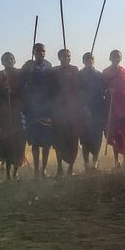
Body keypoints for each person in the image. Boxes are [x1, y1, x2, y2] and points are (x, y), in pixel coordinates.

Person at [21, 43, 55, 178]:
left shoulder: (49, 66)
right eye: (38, 51)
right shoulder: (28, 66)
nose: (41, 53)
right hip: (32, 107)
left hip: (46, 107)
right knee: (35, 142)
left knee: (46, 142)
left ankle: (44, 169)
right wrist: (26, 69)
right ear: (33, 52)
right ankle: (36, 170)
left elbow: (53, 84)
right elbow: (22, 82)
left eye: (43, 51)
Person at [50, 49, 82, 177]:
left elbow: (79, 87)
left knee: (72, 140)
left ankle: (70, 168)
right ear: (59, 57)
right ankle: (59, 168)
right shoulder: (54, 71)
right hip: (58, 111)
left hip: (72, 111)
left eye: (68, 56)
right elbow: (50, 88)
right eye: (63, 56)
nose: (66, 58)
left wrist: (71, 79)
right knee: (59, 141)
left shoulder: (74, 70)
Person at [0, 52, 25, 181]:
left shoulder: (19, 74)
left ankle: (15, 172)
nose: (8, 61)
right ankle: (7, 173)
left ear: (14, 60)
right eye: (5, 59)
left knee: (18, 144)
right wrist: (3, 91)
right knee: (7, 143)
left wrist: (13, 91)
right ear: (2, 62)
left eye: (10, 58)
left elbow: (24, 89)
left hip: (17, 113)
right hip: (5, 114)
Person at [102, 50, 125, 169]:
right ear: (110, 58)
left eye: (118, 57)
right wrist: (108, 91)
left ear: (120, 59)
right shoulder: (105, 72)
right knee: (114, 136)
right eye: (114, 57)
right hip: (112, 108)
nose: (116, 59)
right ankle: (116, 162)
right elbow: (102, 89)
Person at [79, 52, 107, 171]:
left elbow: (104, 90)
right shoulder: (79, 75)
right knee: (85, 140)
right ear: (83, 61)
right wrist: (84, 107)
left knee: (97, 139)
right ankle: (86, 164)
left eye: (91, 60)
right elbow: (78, 92)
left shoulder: (99, 75)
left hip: (97, 111)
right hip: (84, 111)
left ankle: (95, 164)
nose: (89, 62)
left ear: (93, 61)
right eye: (86, 60)